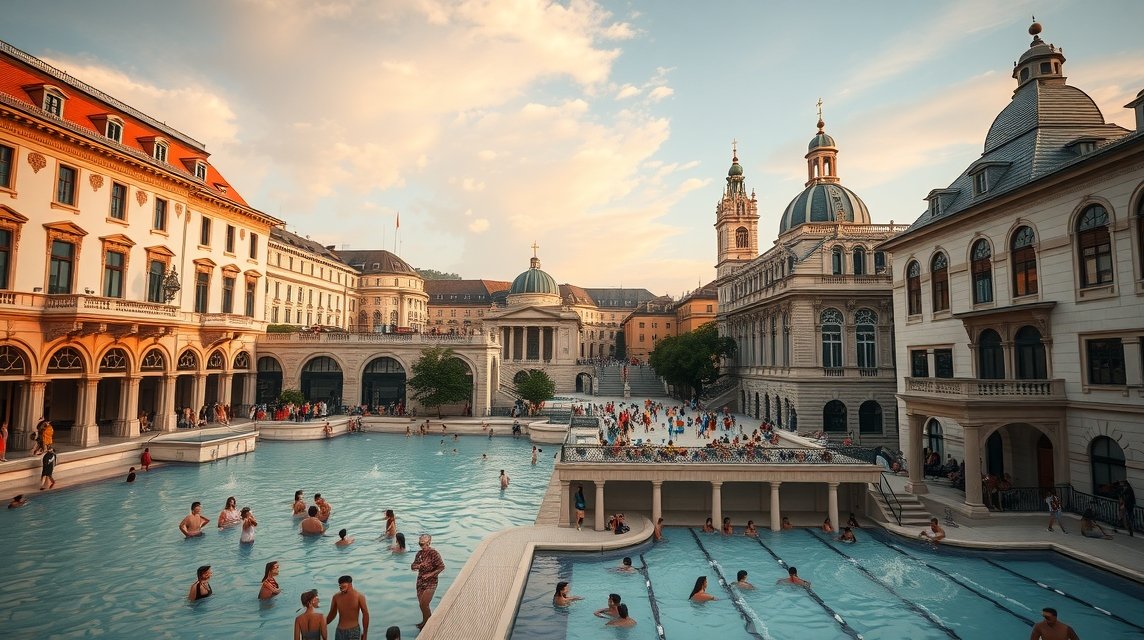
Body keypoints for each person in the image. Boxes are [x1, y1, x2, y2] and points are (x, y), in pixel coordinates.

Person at [412, 534, 445, 630]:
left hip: (431, 582)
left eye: (424, 544)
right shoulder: (419, 554)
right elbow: (413, 566)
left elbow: (441, 567)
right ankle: (425, 621)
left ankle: (429, 626)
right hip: (420, 582)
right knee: (422, 605)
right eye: (420, 544)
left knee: (424, 604)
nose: (422, 546)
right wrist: (418, 566)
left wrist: (430, 574)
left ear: (429, 543)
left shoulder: (434, 553)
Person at [327, 575, 369, 640]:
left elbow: (365, 614)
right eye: (340, 586)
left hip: (353, 630)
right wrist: (322, 624)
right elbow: (332, 614)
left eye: (343, 586)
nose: (341, 588)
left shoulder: (359, 596)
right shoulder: (336, 597)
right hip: (339, 631)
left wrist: (365, 634)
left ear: (350, 584)